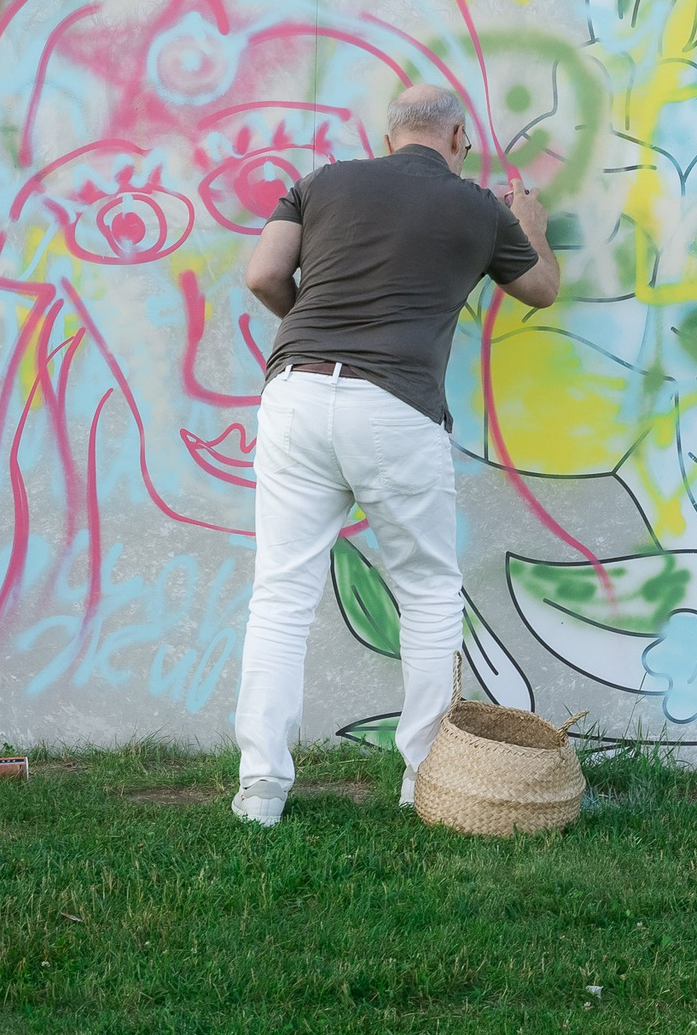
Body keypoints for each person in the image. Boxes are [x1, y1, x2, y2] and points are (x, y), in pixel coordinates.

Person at [230, 83, 561, 825]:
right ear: (457, 140)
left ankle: (261, 789)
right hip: (395, 408)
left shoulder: (321, 182)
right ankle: (424, 779)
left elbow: (262, 274)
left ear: (390, 137)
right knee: (428, 593)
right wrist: (532, 224)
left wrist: (317, 333)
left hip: (296, 395)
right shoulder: (480, 207)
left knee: (281, 596)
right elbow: (540, 288)